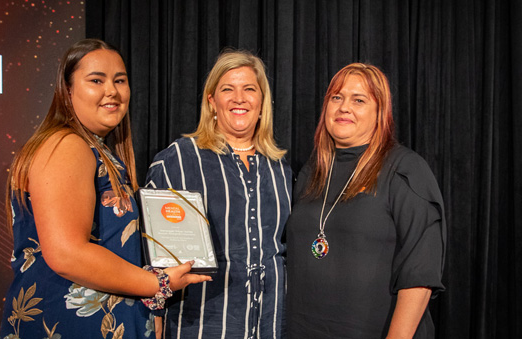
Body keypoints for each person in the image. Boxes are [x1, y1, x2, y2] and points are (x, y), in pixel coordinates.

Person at [0, 39, 210, 339]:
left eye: (120, 81)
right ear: (67, 89)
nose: (112, 90)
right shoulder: (66, 145)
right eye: (96, 80)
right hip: (67, 326)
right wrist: (157, 284)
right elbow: (66, 253)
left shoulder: (96, 150)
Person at [286, 63, 446, 338]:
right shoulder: (312, 171)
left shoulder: (404, 170)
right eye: (337, 97)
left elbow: (419, 276)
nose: (344, 107)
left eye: (358, 100)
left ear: (380, 113)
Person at [145, 49, 292, 338]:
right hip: (202, 325)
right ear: (212, 101)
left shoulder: (280, 167)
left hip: (272, 326)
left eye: (249, 89)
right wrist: (156, 314)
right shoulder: (179, 160)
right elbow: (153, 254)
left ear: (262, 102)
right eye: (228, 89)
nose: (239, 98)